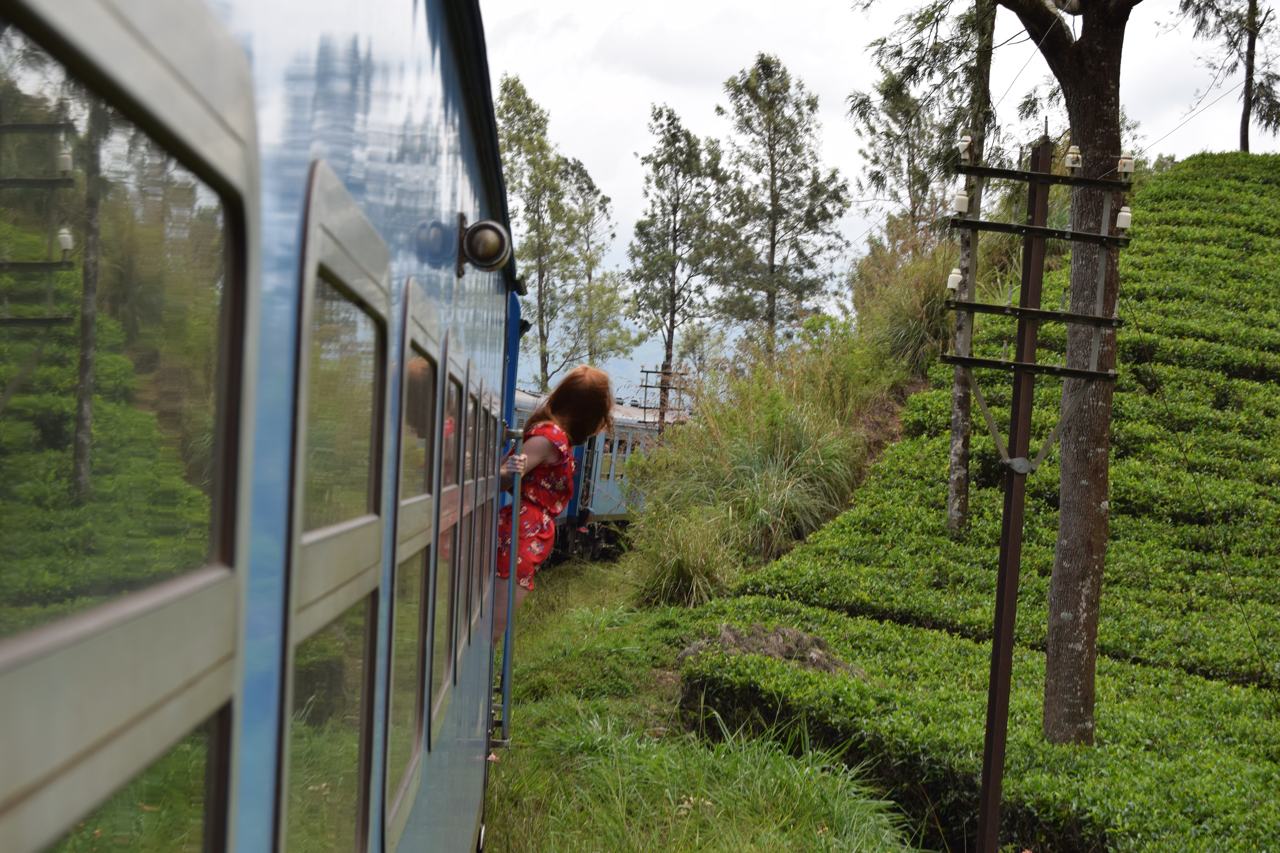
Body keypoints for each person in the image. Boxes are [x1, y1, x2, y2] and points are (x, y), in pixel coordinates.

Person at [493, 366, 613, 642]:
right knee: (493, 630)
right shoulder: (549, 437)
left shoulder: (556, 437)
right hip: (521, 536)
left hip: (527, 535)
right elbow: (507, 477)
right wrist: (508, 471)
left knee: (495, 628)